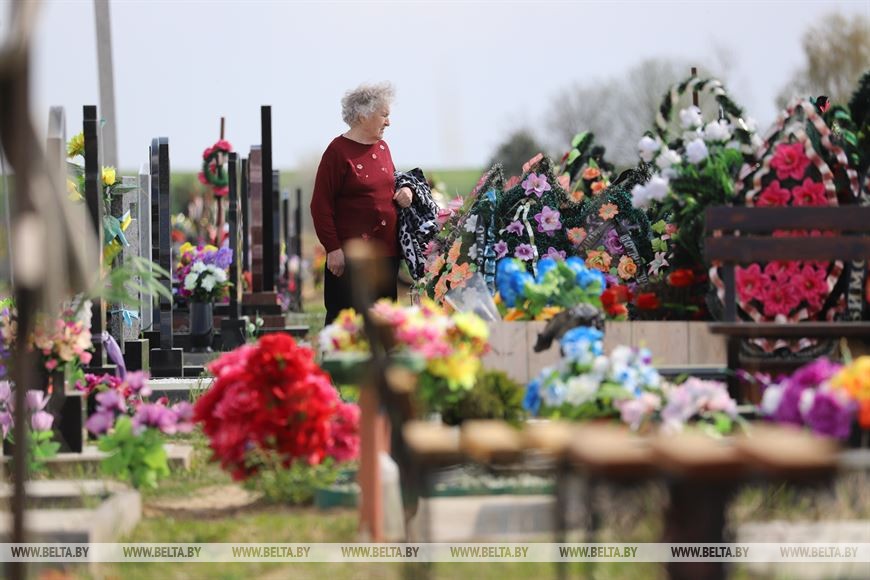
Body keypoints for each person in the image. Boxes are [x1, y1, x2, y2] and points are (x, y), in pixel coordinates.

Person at [310, 82, 413, 324]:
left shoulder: (383, 147)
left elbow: (391, 183)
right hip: (350, 260)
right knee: (345, 325)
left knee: (382, 323)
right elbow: (320, 206)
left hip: (386, 255)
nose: (388, 122)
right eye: (384, 115)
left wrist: (406, 191)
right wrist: (333, 249)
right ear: (363, 115)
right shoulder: (337, 152)